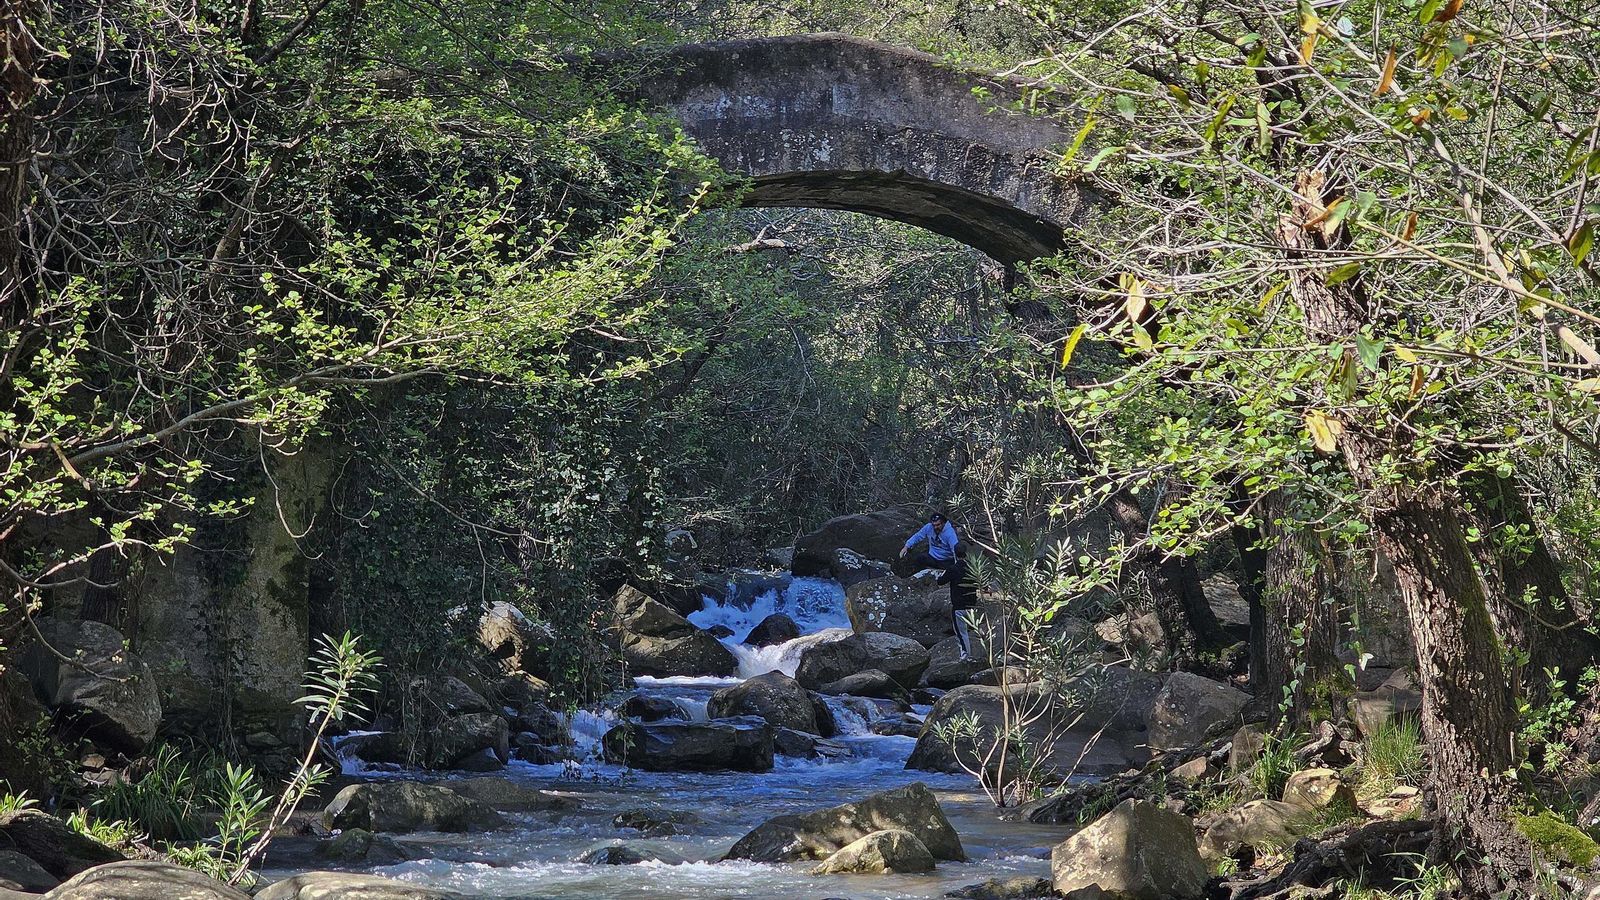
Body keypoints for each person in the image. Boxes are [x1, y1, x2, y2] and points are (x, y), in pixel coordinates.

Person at [900, 512, 979, 659]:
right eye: (934, 525)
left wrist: (958, 568)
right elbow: (918, 536)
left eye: (938, 525)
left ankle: (966, 656)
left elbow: (955, 550)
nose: (935, 527)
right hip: (933, 557)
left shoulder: (949, 533)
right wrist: (907, 546)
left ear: (943, 523)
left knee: (961, 631)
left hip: (947, 561)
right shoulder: (928, 528)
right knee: (919, 558)